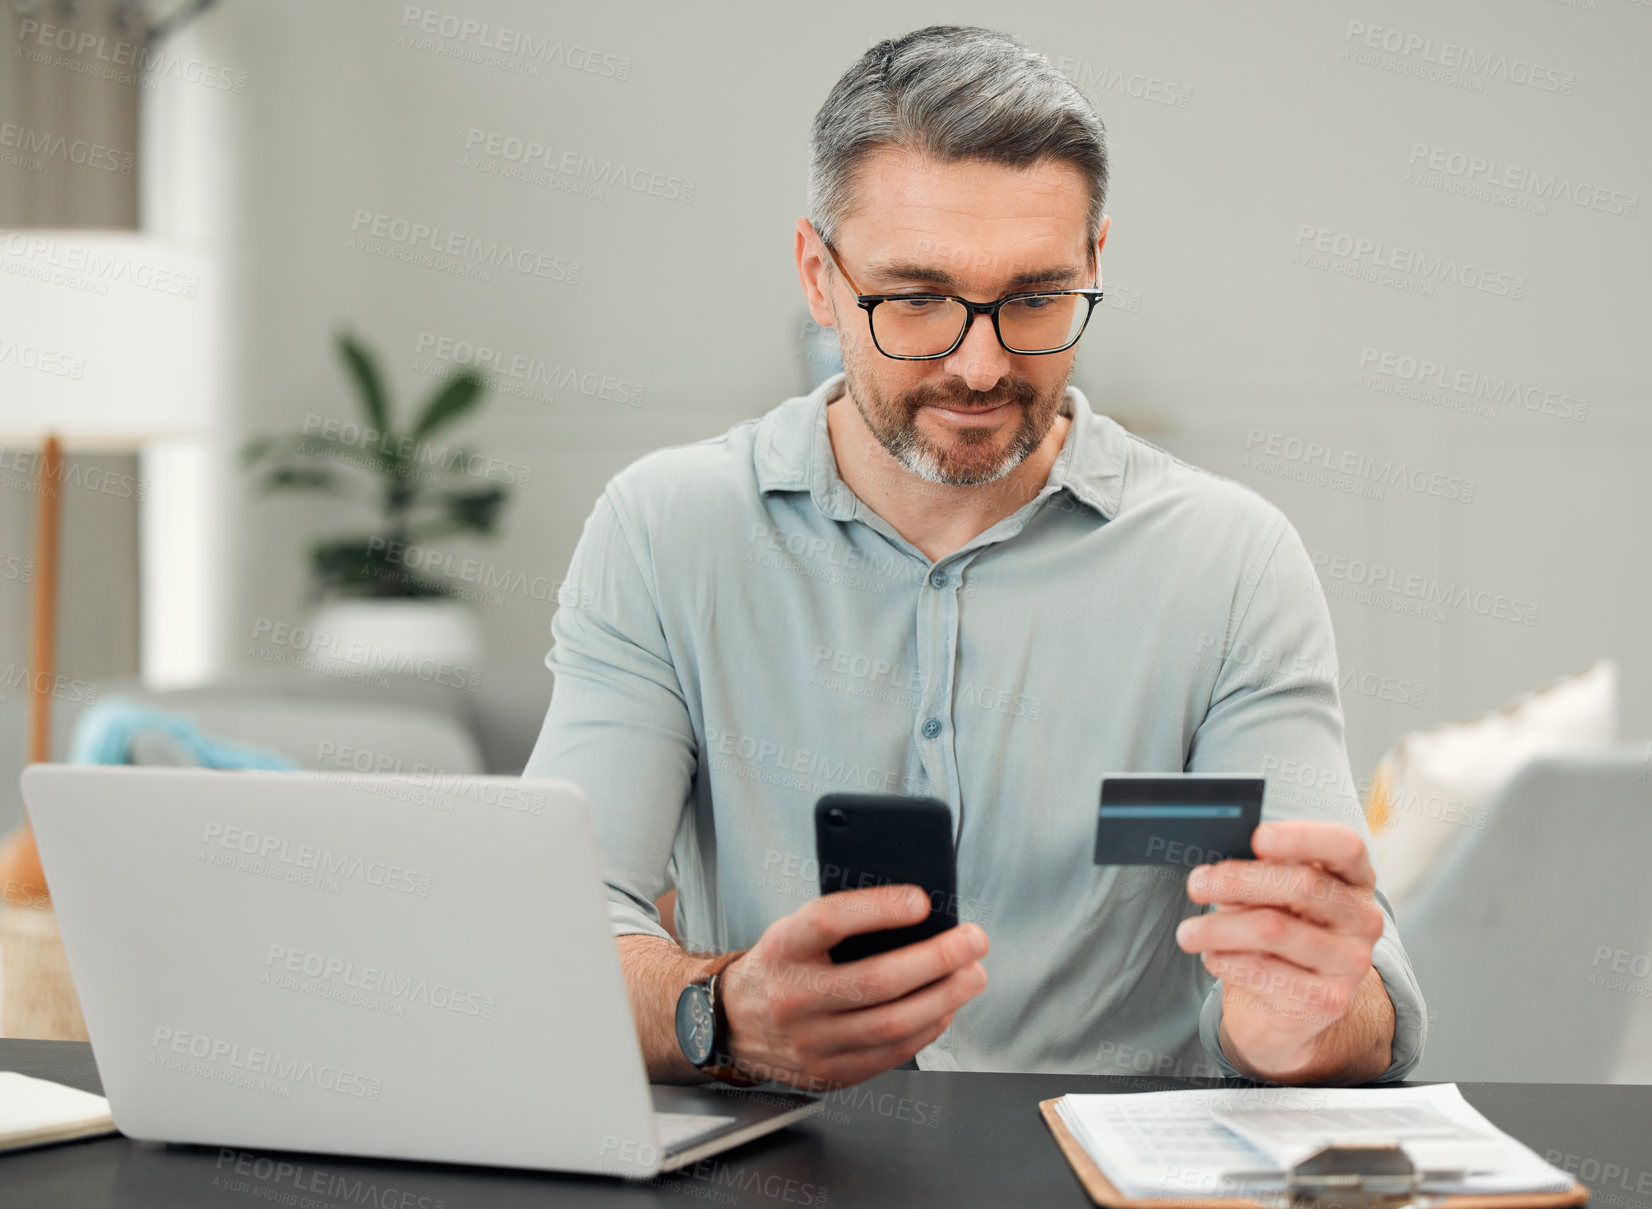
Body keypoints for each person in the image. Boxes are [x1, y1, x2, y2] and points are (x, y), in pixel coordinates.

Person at [525, 24, 1425, 1091]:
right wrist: (719, 1011)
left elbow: (1349, 1000)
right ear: (818, 276)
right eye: (915, 300)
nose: (978, 363)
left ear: (1093, 264)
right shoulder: (664, 532)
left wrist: (1304, 1024)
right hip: (793, 1173)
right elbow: (553, 935)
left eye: (1034, 299)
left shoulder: (1227, 563)